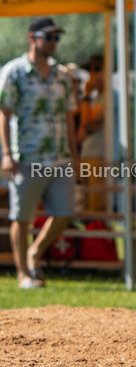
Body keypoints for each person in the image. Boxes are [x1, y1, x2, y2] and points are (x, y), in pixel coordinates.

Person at [0, 17, 80, 289]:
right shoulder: (14, 72)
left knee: (67, 212)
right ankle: (23, 274)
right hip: (26, 157)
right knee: (21, 218)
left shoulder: (62, 75)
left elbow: (70, 117)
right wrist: (6, 153)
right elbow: (4, 113)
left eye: (57, 38)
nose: (54, 42)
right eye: (49, 37)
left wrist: (74, 154)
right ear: (32, 37)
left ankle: (35, 252)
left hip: (59, 157)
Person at [77, 54, 106, 212]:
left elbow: (89, 122)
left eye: (96, 69)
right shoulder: (95, 99)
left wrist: (86, 95)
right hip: (87, 155)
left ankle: (97, 237)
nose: (92, 75)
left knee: (96, 207)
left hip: (99, 157)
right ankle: (90, 237)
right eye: (90, 70)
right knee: (85, 207)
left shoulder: (109, 96)